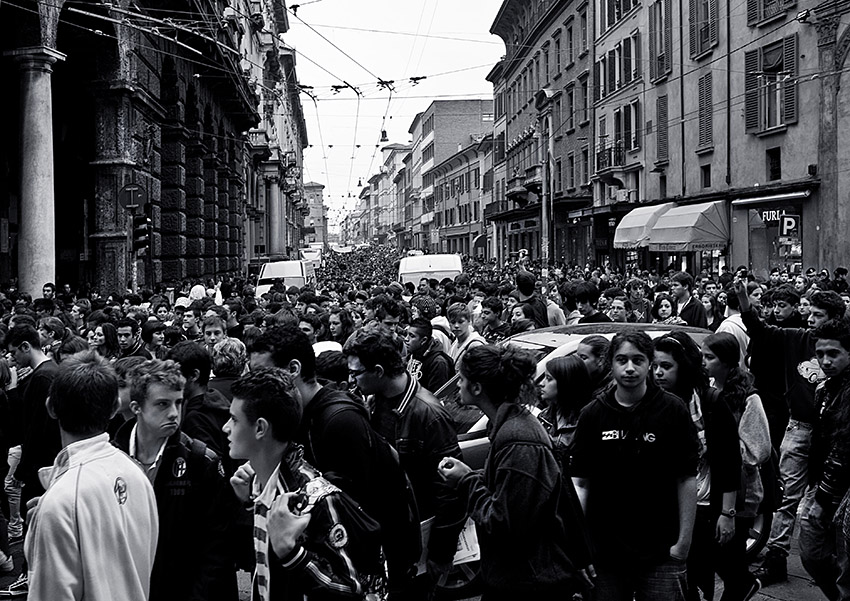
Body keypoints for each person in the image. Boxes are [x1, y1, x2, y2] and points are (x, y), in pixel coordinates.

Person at [248, 325, 422, 598]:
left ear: (293, 369)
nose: (255, 386)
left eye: (263, 375)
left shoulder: (338, 420)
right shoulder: (297, 416)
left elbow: (353, 513)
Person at [439, 345, 594, 600]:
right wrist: (473, 476)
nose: (458, 385)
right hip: (514, 578)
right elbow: (512, 493)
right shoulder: (508, 428)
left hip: (528, 584)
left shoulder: (519, 440)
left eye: (462, 379)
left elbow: (505, 522)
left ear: (477, 387)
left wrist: (465, 481)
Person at [225, 368, 378, 600]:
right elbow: (257, 564)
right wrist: (247, 505)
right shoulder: (255, 484)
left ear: (260, 428)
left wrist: (292, 553)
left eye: (234, 419)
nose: (226, 427)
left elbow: (352, 590)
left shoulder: (314, 498)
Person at [571, 331, 700, 601]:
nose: (630, 368)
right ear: (611, 364)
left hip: (661, 549)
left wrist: (683, 542)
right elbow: (580, 483)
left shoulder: (673, 410)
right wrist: (579, 546)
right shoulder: (592, 414)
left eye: (638, 360)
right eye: (622, 360)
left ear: (649, 363)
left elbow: (686, 478)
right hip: (604, 551)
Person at [735, 282, 847, 585]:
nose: (810, 319)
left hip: (833, 435)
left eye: (818, 315)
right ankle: (776, 556)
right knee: (788, 496)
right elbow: (760, 330)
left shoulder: (843, 352)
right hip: (799, 427)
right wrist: (745, 304)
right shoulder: (795, 338)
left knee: (831, 499)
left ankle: (834, 561)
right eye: (809, 313)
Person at [25, 351, 158, 601]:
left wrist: (50, 517)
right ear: (115, 408)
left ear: (51, 407)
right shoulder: (136, 473)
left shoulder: (62, 501)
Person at [343, 326, 465, 589]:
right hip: (384, 535)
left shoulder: (429, 415)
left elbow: (450, 491)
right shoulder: (374, 400)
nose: (352, 380)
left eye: (355, 373)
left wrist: (441, 554)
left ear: (378, 371)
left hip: (414, 542)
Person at [112, 359, 238, 601]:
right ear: (137, 407)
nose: (173, 413)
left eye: (178, 403)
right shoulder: (112, 457)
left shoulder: (201, 460)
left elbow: (217, 549)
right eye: (162, 404)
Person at [653, 333, 744, 601]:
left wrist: (728, 513)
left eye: (666, 366)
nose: (658, 372)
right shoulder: (651, 402)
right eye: (655, 365)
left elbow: (730, 461)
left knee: (696, 575)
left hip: (704, 504)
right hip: (663, 506)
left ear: (683, 366)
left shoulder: (710, 401)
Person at [701, 332, 771, 599]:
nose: (704, 363)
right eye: (702, 356)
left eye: (710, 357)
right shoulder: (706, 390)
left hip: (740, 491)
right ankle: (743, 584)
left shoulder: (748, 398)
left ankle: (743, 587)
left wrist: (721, 448)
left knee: (730, 555)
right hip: (711, 487)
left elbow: (760, 450)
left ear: (728, 362)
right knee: (718, 555)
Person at [798, 318, 850, 600]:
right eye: (820, 354)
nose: (826, 361)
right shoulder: (827, 388)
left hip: (838, 489)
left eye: (833, 354)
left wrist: (823, 497)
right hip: (822, 482)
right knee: (812, 553)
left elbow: (843, 447)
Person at [537, 355, 594, 466]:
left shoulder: (588, 420)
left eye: (549, 379)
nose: (542, 383)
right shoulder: (543, 417)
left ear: (565, 382)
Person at [405, 318, 454, 394]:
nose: (406, 339)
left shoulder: (438, 363)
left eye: (412, 336)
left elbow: (436, 398)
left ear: (423, 340)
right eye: (407, 334)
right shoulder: (413, 353)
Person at [447, 302, 486, 368]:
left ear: (469, 321)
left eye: (460, 322)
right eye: (453, 322)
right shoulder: (456, 341)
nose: (456, 326)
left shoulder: (476, 345)